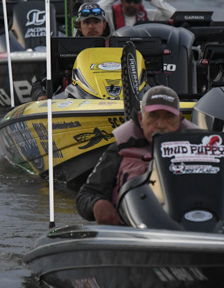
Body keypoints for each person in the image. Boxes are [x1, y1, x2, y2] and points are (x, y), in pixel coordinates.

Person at [76, 85, 199, 225]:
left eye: (169, 117)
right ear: (141, 119)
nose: (161, 125)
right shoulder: (120, 150)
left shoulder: (199, 151)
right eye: (153, 116)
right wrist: (97, 204)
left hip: (186, 229)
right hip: (132, 229)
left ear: (179, 119)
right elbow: (85, 195)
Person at [31, 2, 109, 101]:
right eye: (87, 22)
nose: (91, 26)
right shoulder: (64, 50)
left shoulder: (115, 49)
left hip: (109, 101)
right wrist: (41, 95)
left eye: (96, 22)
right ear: (79, 26)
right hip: (73, 103)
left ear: (104, 24)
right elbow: (38, 85)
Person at [98, 0, 176, 33]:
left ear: (141, 0)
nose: (132, 4)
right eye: (128, 0)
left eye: (136, 1)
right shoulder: (109, 16)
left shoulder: (151, 16)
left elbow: (176, 17)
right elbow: (92, 11)